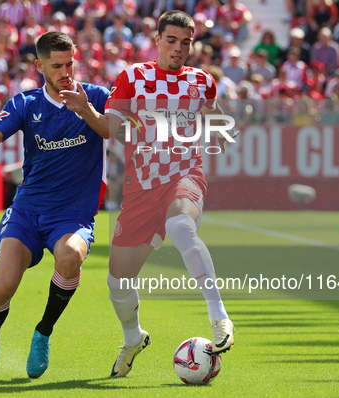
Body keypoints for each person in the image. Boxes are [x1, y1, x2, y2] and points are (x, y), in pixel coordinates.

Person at [59, 10, 236, 378]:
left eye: (186, 42)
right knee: (117, 281)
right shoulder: (132, 78)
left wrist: (220, 130)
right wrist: (86, 110)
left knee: (181, 226)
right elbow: (112, 129)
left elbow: (214, 112)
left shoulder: (202, 81)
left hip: (185, 175)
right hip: (141, 189)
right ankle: (132, 338)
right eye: (171, 40)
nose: (179, 48)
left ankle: (219, 316)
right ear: (157, 40)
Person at [0, 31, 110, 379]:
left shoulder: (97, 97)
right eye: (56, 65)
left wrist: (85, 110)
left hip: (72, 213)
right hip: (28, 210)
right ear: (39, 65)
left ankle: (43, 332)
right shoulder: (25, 103)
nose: (65, 72)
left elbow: (112, 130)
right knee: (3, 288)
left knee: (71, 256)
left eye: (70, 64)